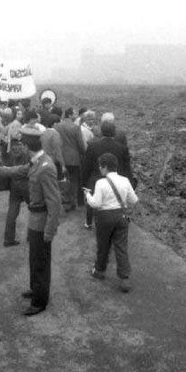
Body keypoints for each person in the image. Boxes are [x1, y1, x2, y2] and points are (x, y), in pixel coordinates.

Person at [0, 126, 62, 316]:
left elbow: (55, 203)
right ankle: (36, 289)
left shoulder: (45, 167)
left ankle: (40, 301)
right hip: (35, 219)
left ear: (27, 146)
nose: (19, 148)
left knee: (40, 261)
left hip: (41, 222)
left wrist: (50, 231)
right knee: (34, 258)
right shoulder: (36, 162)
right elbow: (18, 170)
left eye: (21, 144)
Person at [84, 153, 138, 292]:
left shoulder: (101, 183)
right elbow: (134, 200)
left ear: (105, 167)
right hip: (121, 216)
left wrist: (88, 195)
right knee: (121, 247)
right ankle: (124, 279)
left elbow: (96, 204)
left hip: (104, 217)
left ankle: (99, 271)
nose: (100, 168)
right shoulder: (125, 180)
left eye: (100, 166)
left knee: (103, 245)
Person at [81, 121, 131, 230]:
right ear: (114, 133)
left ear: (101, 132)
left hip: (95, 178)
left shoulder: (93, 146)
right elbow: (126, 167)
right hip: (115, 179)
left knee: (92, 200)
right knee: (112, 202)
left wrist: (84, 182)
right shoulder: (122, 148)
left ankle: (89, 222)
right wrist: (129, 182)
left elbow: (86, 165)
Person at [55, 107, 85, 211]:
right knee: (73, 181)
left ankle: (65, 202)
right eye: (74, 114)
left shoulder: (57, 126)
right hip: (74, 158)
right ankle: (72, 202)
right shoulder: (76, 128)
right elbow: (81, 145)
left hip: (61, 157)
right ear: (69, 115)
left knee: (63, 181)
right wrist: (83, 153)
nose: (76, 115)